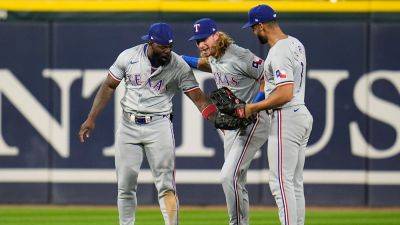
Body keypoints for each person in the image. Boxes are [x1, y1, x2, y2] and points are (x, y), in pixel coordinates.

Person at [78, 22, 222, 225]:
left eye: (170, 46)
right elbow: (109, 85)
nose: (168, 51)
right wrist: (91, 118)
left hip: (159, 126)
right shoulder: (129, 57)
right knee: (126, 186)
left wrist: (221, 120)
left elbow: (199, 99)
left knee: (166, 186)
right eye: (163, 47)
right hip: (128, 126)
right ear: (151, 43)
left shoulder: (178, 64)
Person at [182, 18, 270, 225]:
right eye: (197, 41)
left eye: (204, 39)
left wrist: (252, 107)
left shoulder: (240, 55)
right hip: (233, 124)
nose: (201, 44)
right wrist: (180, 58)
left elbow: (270, 76)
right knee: (235, 180)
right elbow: (207, 64)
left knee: (227, 176)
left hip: (253, 121)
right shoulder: (214, 55)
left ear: (216, 35)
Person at [241, 5, 314, 225]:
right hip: (301, 114)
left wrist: (252, 108)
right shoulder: (295, 43)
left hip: (286, 116)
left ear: (261, 25)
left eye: (254, 28)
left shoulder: (279, 51)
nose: (254, 32)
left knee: (280, 182)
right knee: (293, 182)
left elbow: (284, 93)